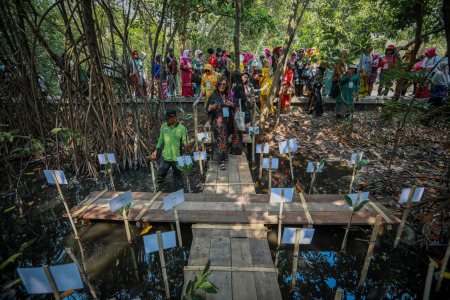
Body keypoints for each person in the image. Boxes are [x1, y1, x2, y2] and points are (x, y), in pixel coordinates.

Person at [151, 107, 190, 185]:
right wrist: (156, 150)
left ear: (174, 117)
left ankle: (177, 192)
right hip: (165, 157)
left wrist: (187, 144)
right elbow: (161, 139)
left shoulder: (182, 128)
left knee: (177, 179)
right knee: (160, 178)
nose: (166, 120)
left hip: (178, 158)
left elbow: (186, 142)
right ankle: (159, 192)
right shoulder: (163, 127)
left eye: (168, 119)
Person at [206, 76, 237, 170]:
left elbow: (235, 107)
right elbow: (207, 109)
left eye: (223, 84)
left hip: (227, 121)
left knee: (225, 138)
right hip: (217, 121)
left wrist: (231, 105)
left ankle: (223, 155)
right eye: (220, 84)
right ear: (217, 85)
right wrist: (210, 108)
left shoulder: (229, 95)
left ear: (226, 85)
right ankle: (221, 161)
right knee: (220, 139)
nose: (221, 86)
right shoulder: (213, 95)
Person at [230, 70, 248, 155]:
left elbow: (243, 98)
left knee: (237, 130)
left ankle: (237, 150)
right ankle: (236, 149)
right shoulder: (238, 85)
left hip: (238, 110)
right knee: (237, 130)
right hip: (236, 110)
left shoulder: (238, 86)